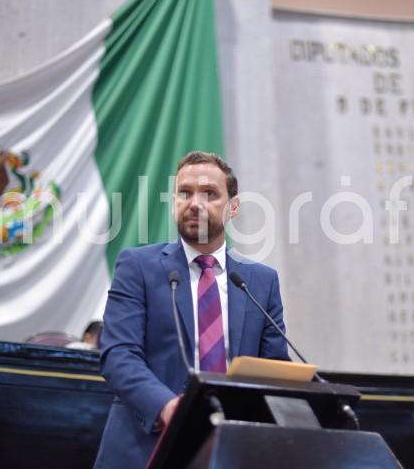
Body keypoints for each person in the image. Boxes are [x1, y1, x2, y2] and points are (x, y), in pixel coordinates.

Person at [93, 151, 289, 469]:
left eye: (209, 194)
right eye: (184, 193)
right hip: (144, 449)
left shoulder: (259, 282)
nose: (194, 203)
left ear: (233, 207)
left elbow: (273, 369)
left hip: (232, 453)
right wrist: (169, 408)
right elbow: (118, 355)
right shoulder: (138, 267)